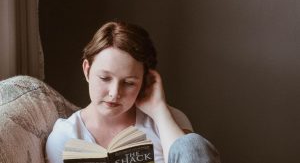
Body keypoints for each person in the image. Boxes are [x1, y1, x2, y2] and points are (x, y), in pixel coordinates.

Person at [46, 21, 220, 163]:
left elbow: (193, 156)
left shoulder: (168, 120)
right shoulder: (65, 136)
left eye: (129, 83)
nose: (114, 93)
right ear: (87, 70)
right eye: (105, 78)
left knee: (191, 144)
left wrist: (160, 112)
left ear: (145, 80)